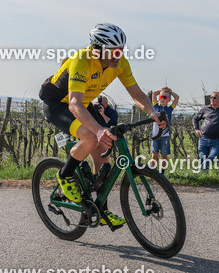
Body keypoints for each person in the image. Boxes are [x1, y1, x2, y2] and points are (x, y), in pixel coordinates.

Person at [39, 23, 162, 229]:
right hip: (58, 104)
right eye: (113, 51)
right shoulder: (81, 60)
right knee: (91, 136)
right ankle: (65, 175)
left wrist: (152, 112)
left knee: (104, 151)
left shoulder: (120, 63)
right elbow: (74, 104)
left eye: (121, 50)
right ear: (98, 50)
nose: (118, 55)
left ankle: (100, 208)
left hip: (83, 103)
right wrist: (98, 129)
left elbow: (137, 93)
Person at [193, 91, 219, 171]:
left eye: (214, 98)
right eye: (211, 97)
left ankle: (198, 170)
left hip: (216, 140)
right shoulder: (205, 109)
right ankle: (203, 178)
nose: (212, 99)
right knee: (203, 158)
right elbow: (195, 118)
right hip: (203, 138)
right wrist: (196, 129)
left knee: (212, 156)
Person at [150, 87, 179, 173]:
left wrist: (170, 91)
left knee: (164, 156)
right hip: (155, 135)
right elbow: (154, 93)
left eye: (165, 97)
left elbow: (177, 98)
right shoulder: (155, 106)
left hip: (165, 136)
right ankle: (153, 172)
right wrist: (162, 91)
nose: (162, 98)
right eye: (161, 97)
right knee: (154, 155)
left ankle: (162, 173)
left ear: (169, 100)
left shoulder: (169, 109)